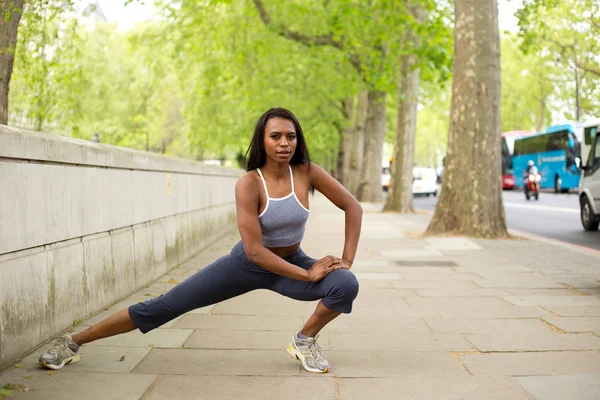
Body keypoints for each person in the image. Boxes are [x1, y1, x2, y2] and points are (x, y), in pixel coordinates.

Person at [38, 107, 362, 374]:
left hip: (291, 261)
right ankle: (73, 342)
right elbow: (254, 252)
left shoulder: (306, 172)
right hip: (247, 265)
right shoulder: (249, 184)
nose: (284, 143)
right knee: (165, 306)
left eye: (290, 136)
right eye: (275, 136)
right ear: (262, 141)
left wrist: (345, 260)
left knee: (345, 283)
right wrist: (307, 274)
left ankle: (304, 341)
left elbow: (353, 207)